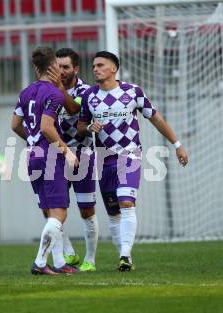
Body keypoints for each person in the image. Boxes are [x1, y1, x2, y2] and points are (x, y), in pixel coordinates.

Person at [77, 51, 189, 271]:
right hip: (104, 159)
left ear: (113, 68)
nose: (96, 69)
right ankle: (123, 255)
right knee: (113, 212)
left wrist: (177, 145)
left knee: (126, 202)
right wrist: (89, 127)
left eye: (100, 65)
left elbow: (155, 117)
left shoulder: (132, 91)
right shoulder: (90, 95)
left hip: (129, 155)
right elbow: (81, 126)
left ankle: (126, 255)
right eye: (94, 66)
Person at [11, 46, 79, 275]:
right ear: (53, 68)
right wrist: (67, 151)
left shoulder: (26, 92)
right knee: (60, 212)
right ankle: (40, 262)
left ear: (35, 68)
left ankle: (59, 263)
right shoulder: (53, 94)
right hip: (50, 156)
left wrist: (32, 140)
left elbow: (14, 125)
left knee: (50, 211)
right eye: (58, 67)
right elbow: (47, 127)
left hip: (32, 156)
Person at [47, 48, 98, 272]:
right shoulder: (46, 90)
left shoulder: (86, 91)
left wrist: (57, 88)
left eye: (66, 67)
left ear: (76, 68)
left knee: (86, 209)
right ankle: (69, 253)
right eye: (58, 67)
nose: (61, 71)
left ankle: (90, 259)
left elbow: (74, 107)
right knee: (50, 209)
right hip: (56, 156)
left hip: (82, 155)